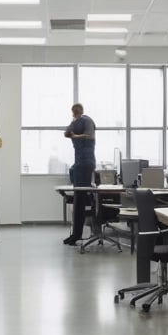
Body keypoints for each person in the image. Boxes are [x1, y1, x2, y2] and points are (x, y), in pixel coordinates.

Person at [63, 103, 96, 245]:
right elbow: (66, 133)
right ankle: (75, 234)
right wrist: (74, 126)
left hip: (86, 163)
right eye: (74, 111)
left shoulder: (87, 121)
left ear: (81, 110)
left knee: (80, 200)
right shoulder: (75, 122)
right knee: (78, 201)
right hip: (79, 164)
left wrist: (74, 136)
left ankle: (77, 235)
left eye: (77, 111)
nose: (76, 113)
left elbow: (88, 136)